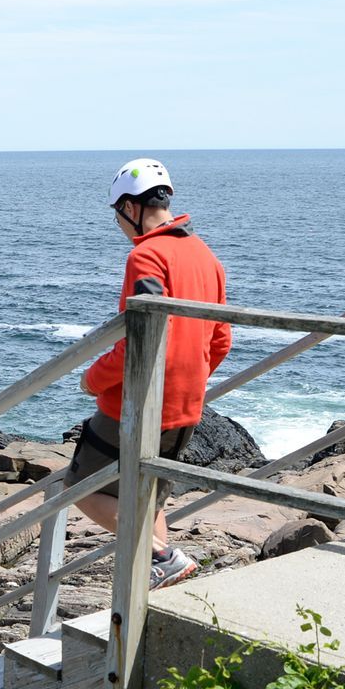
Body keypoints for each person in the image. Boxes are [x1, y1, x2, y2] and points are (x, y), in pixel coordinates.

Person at [68, 157, 232, 590]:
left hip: (139, 404)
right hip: (187, 406)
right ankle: (162, 579)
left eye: (117, 215)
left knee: (79, 486)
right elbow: (221, 341)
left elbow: (137, 341)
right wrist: (190, 377)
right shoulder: (205, 256)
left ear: (130, 207)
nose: (119, 225)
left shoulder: (146, 255)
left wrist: (92, 380)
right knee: (149, 495)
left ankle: (162, 556)